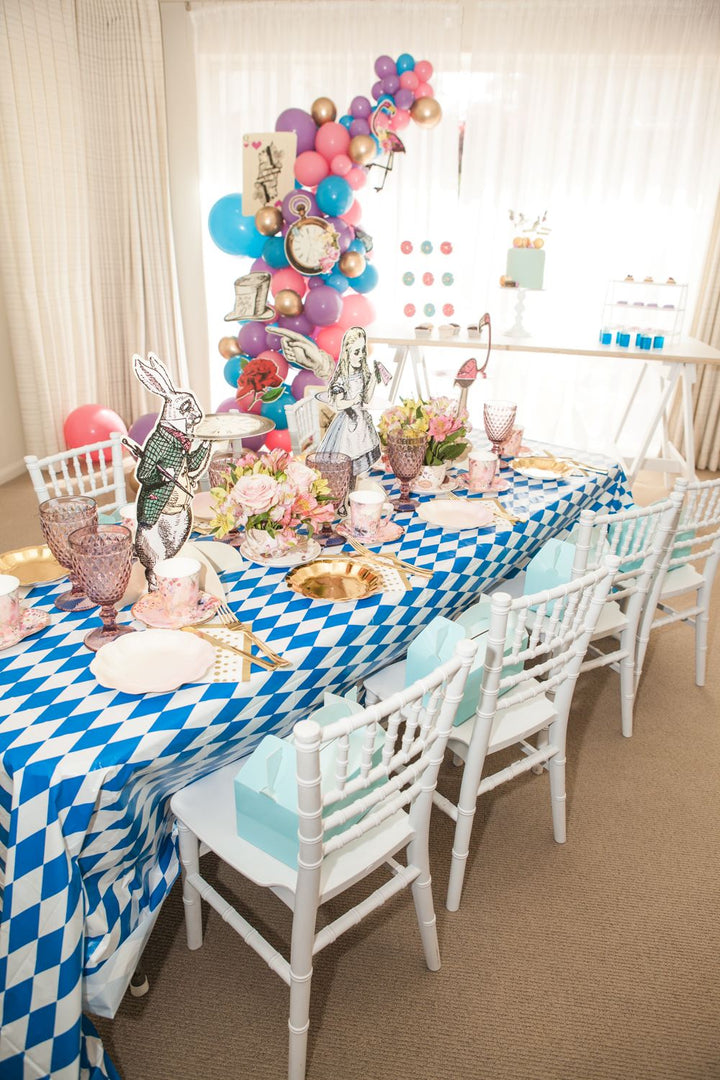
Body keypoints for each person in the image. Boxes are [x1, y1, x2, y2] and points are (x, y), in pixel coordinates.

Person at [316, 326, 381, 476]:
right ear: (347, 353)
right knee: (346, 459)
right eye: (356, 352)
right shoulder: (341, 379)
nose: (361, 355)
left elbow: (366, 398)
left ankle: (357, 483)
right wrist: (353, 401)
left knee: (362, 462)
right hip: (348, 424)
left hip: (361, 422)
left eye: (363, 351)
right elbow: (339, 404)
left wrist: (374, 379)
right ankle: (347, 484)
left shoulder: (362, 373)